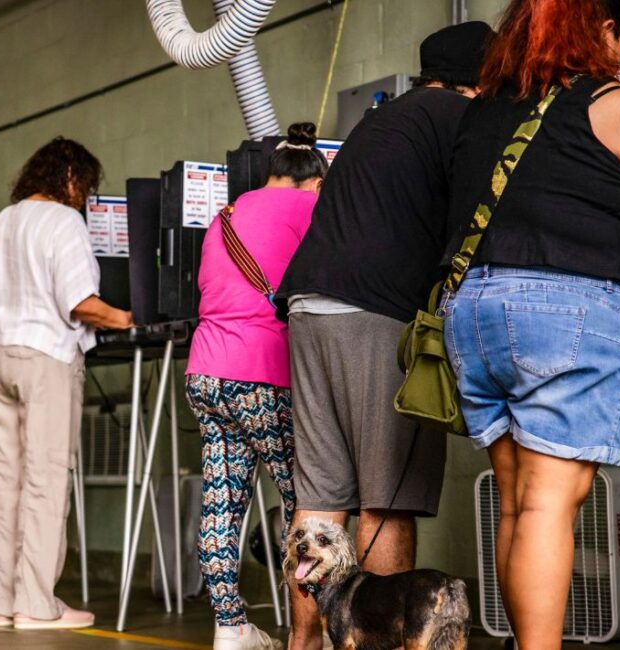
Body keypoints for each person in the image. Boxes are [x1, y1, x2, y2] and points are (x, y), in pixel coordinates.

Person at [440, 1, 620, 648]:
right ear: (598, 28)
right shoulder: (612, 105)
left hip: (475, 313)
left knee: (517, 502)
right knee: (548, 505)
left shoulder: (484, 111)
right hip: (566, 313)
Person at [275, 21, 494, 650]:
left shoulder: (380, 121)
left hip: (308, 308)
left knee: (320, 499)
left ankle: (305, 644)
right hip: (375, 313)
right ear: (479, 80)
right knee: (386, 495)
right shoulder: (460, 119)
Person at [0, 137, 131, 630]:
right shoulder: (63, 221)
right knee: (45, 482)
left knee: (7, 485)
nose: (85, 197)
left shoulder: (4, 220)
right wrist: (125, 317)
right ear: (69, 177)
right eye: (85, 186)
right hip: (44, 357)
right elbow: (80, 302)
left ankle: (6, 602)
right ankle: (36, 605)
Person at [185, 123, 326, 650]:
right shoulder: (310, 209)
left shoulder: (225, 215)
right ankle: (311, 631)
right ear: (314, 182)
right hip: (261, 372)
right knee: (305, 503)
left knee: (222, 500)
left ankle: (231, 627)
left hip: (206, 372)